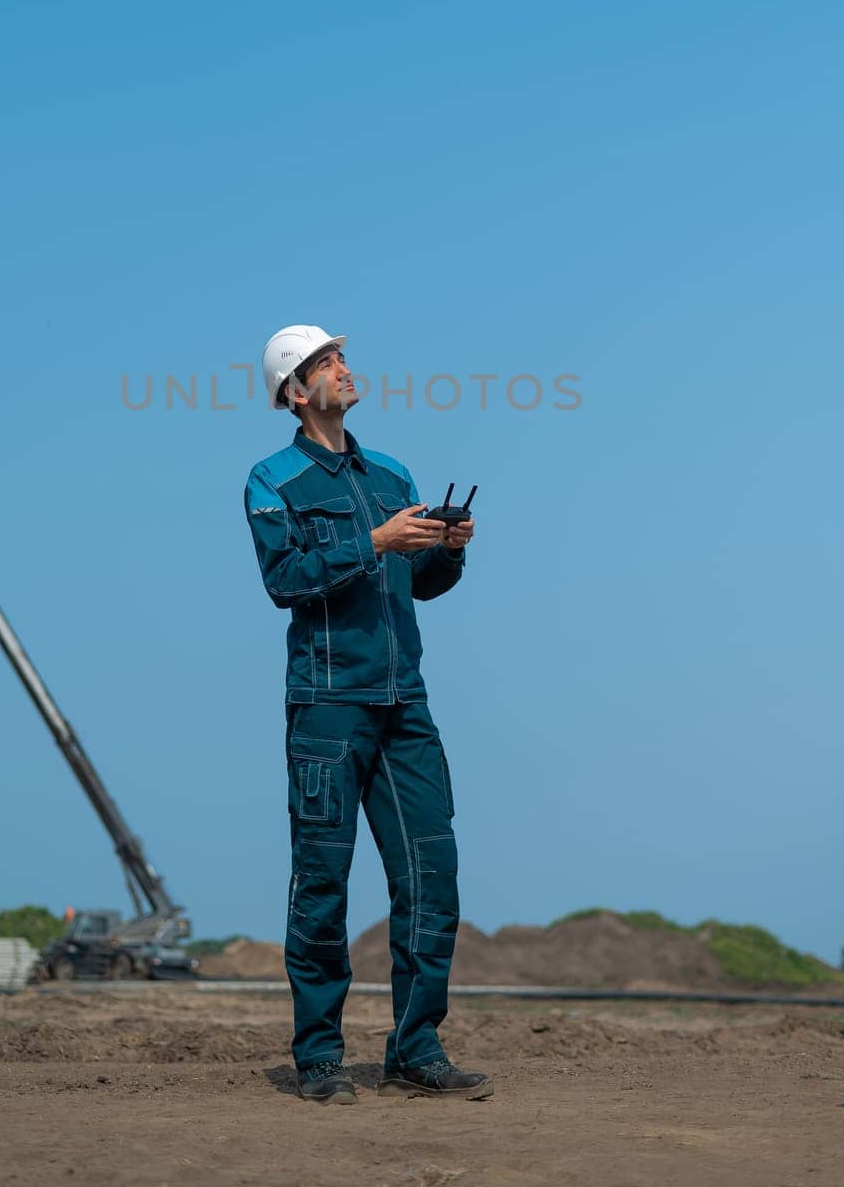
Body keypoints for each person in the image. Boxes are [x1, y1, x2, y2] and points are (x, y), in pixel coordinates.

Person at [244, 324, 493, 1105]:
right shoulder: (271, 478)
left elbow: (420, 585)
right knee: (321, 882)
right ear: (294, 391)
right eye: (325, 363)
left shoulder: (390, 473)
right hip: (326, 705)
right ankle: (318, 1057)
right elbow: (285, 579)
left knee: (432, 878)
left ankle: (414, 1050)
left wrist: (446, 547)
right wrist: (374, 540)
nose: (343, 369)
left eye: (341, 358)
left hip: (404, 704)